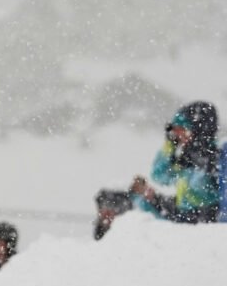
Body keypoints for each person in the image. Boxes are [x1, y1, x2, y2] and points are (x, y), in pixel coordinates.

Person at [94, 101, 220, 240]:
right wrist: (169, 145)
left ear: (198, 130)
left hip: (197, 236)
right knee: (119, 197)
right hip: (187, 227)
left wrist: (155, 201)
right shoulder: (189, 160)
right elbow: (160, 176)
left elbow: (194, 215)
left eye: (182, 128)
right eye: (174, 130)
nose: (176, 134)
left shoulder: (210, 163)